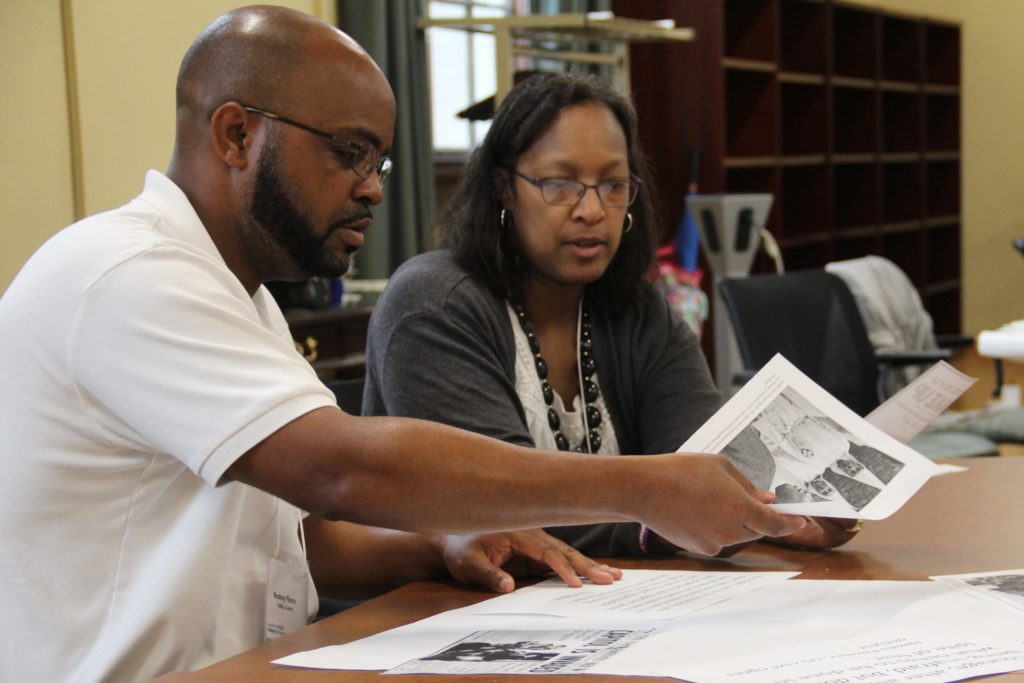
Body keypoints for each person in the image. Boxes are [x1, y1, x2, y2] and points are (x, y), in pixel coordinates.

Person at [0, 7, 806, 681]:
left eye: (380, 159)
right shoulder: (124, 273)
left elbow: (293, 544)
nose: (375, 186)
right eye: (348, 152)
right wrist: (643, 489)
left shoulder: (240, 298)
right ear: (236, 134)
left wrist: (437, 544)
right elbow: (342, 467)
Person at [364, 72, 857, 556]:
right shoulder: (433, 304)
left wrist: (778, 518)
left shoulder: (643, 313)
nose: (592, 210)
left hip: (614, 600)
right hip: (439, 613)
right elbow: (498, 508)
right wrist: (669, 518)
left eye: (613, 185)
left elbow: (706, 466)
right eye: (561, 184)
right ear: (504, 190)